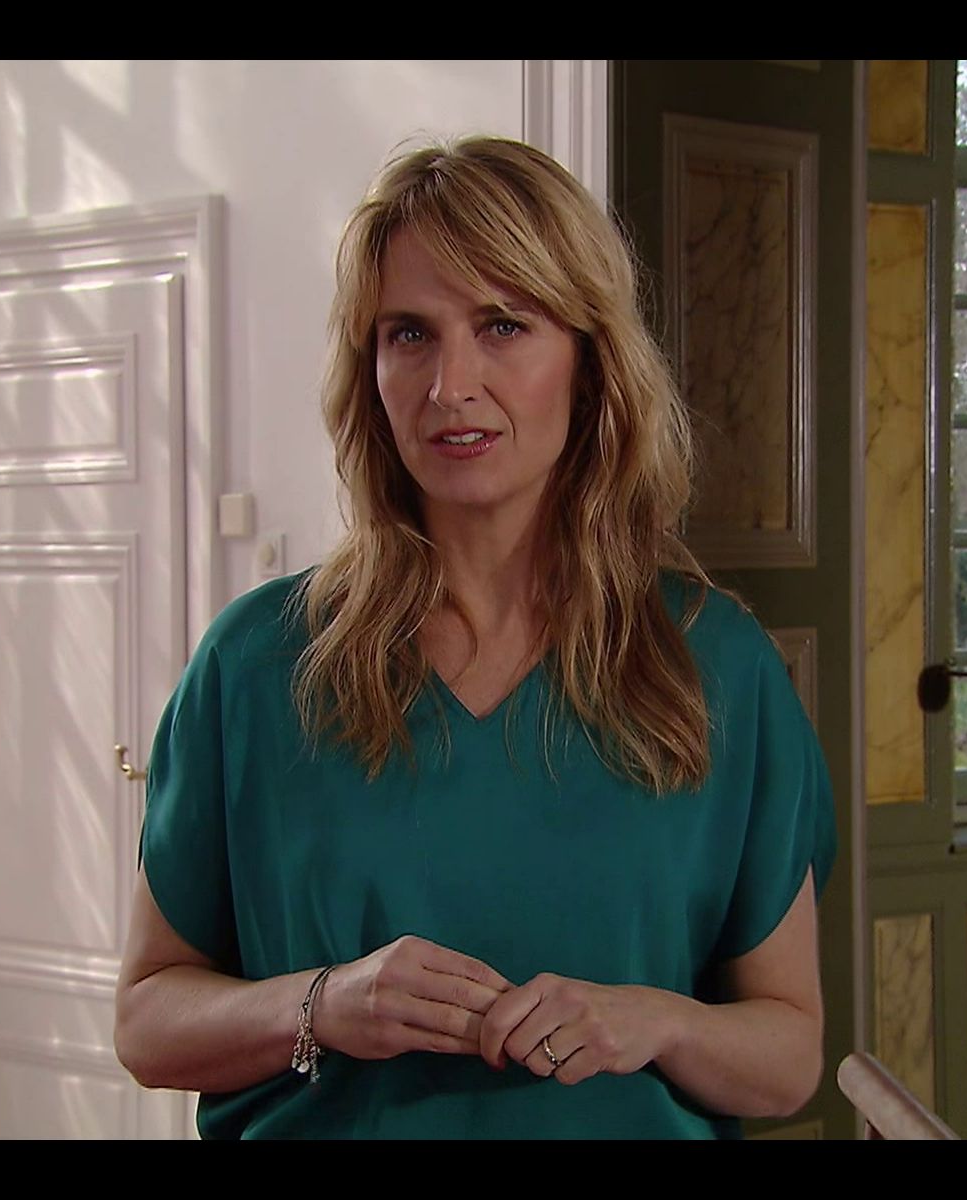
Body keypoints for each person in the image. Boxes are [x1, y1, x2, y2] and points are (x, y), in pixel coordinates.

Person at [114, 134, 837, 1139]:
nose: (450, 384)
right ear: (369, 369)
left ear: (589, 362)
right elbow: (147, 1022)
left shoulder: (716, 668)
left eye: (503, 325)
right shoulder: (255, 666)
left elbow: (788, 1059)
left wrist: (658, 1024)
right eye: (409, 334)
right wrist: (322, 1005)